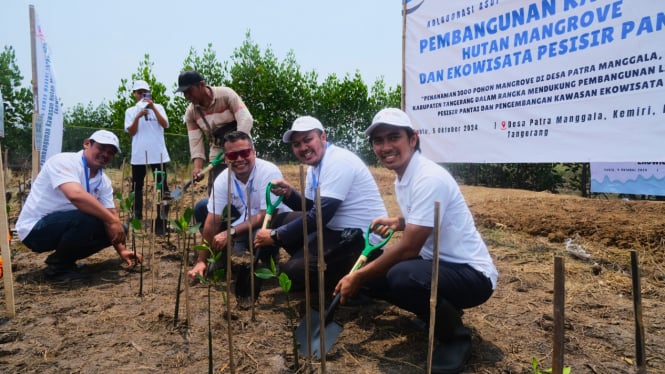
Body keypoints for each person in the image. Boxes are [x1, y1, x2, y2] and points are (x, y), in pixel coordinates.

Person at [333, 108, 498, 373]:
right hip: (438, 265)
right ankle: (436, 314)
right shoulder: (405, 176)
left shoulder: (428, 177)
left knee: (401, 275)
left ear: (412, 139)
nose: (385, 146)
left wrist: (359, 276)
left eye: (393, 137)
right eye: (378, 140)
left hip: (473, 275)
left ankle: (456, 339)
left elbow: (409, 248)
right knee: (380, 275)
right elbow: (426, 219)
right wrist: (398, 222)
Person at [254, 116, 387, 293]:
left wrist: (276, 235)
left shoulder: (338, 161)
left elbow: (319, 216)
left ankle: (353, 281)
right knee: (281, 220)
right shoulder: (314, 167)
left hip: (360, 239)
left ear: (323, 137)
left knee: (292, 274)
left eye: (308, 140)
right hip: (334, 229)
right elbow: (312, 208)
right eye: (296, 144)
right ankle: (315, 262)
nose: (303, 148)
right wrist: (290, 195)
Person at [15, 130, 143, 281]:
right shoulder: (63, 161)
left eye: (110, 152)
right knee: (89, 218)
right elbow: (75, 195)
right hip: (35, 230)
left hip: (66, 226)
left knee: (120, 229)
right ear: (87, 143)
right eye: (101, 148)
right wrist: (111, 220)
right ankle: (58, 269)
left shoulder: (104, 181)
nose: (105, 154)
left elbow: (111, 215)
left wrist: (122, 250)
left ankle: (64, 262)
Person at [187, 131, 289, 283]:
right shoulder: (223, 179)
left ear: (253, 152)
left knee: (259, 235)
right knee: (203, 207)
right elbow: (213, 220)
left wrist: (231, 232)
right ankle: (220, 256)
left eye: (245, 153)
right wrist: (202, 260)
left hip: (271, 221)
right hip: (243, 220)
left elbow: (264, 215)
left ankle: (269, 258)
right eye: (233, 155)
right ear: (226, 158)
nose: (239, 159)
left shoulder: (268, 171)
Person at [176, 70, 254, 193]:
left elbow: (246, 119)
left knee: (246, 188)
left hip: (241, 148)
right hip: (217, 151)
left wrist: (233, 148)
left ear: (201, 85)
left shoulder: (226, 94)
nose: (187, 96)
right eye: (184, 93)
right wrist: (198, 168)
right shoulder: (191, 113)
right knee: (216, 192)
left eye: (190, 91)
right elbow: (195, 142)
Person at [124, 80, 171, 235]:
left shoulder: (159, 108)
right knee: (137, 187)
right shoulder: (130, 111)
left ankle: (161, 221)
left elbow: (165, 124)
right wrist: (137, 116)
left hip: (158, 154)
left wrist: (153, 108)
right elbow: (131, 132)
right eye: (139, 92)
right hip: (139, 155)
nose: (142, 94)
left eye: (145, 92)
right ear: (134, 94)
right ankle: (136, 217)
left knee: (162, 188)